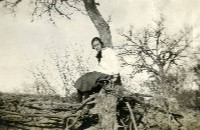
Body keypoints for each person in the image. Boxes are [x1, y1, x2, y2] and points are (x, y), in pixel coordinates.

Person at [74, 37, 121, 102]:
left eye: (97, 45)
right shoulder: (98, 55)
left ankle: (87, 104)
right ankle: (79, 103)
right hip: (100, 73)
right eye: (94, 46)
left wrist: (115, 75)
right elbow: (98, 68)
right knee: (83, 79)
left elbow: (115, 62)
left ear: (101, 44)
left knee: (87, 79)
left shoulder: (108, 51)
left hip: (108, 73)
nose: (96, 47)